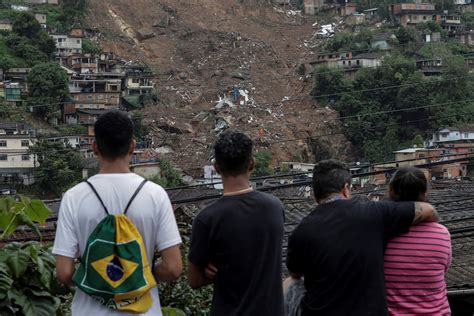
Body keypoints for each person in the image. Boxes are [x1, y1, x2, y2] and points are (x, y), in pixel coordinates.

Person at [53, 110, 183, 315]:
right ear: (132, 146)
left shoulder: (73, 197)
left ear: (95, 147)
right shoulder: (155, 195)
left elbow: (64, 272)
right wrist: (138, 276)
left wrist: (97, 279)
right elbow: (173, 268)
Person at [285, 159, 438, 316]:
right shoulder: (373, 212)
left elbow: (295, 273)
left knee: (289, 283)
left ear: (315, 194)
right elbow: (427, 210)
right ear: (346, 189)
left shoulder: (301, 231)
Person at [188, 130, 285, 316]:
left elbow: (194, 280)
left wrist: (210, 272)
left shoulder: (207, 218)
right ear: (252, 164)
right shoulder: (274, 208)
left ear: (216, 167)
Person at [385, 167, 451, 315]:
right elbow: (443, 270)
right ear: (425, 193)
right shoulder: (442, 234)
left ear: (391, 192)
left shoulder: (381, 233)